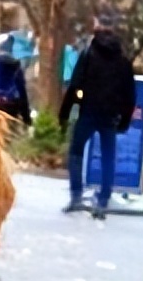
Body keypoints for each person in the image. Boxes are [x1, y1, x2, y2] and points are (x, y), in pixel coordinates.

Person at [58, 13, 136, 219]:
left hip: (88, 112)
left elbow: (75, 85)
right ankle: (103, 200)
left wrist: (65, 114)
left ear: (97, 27)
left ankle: (76, 196)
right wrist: (125, 121)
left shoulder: (89, 54)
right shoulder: (123, 59)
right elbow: (130, 94)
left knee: (76, 152)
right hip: (110, 116)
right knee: (108, 157)